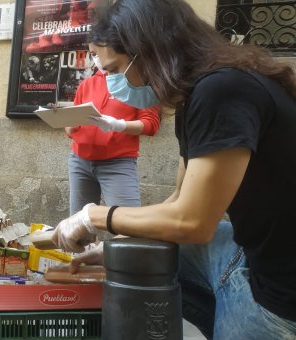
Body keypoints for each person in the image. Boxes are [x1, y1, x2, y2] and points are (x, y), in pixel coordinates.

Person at [52, 0, 296, 338]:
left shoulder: (222, 91)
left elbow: (191, 222)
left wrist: (93, 216)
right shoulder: (198, 94)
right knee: (143, 258)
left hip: (279, 290)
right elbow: (177, 200)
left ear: (149, 50)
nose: (110, 81)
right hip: (249, 248)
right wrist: (116, 247)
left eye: (115, 69)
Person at [65, 47, 160, 218]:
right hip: (80, 161)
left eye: (98, 52)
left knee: (129, 224)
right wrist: (68, 125)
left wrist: (119, 125)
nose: (97, 58)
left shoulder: (136, 80)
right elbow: (71, 126)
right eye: (92, 54)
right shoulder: (87, 84)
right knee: (76, 226)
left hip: (117, 163)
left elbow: (151, 124)